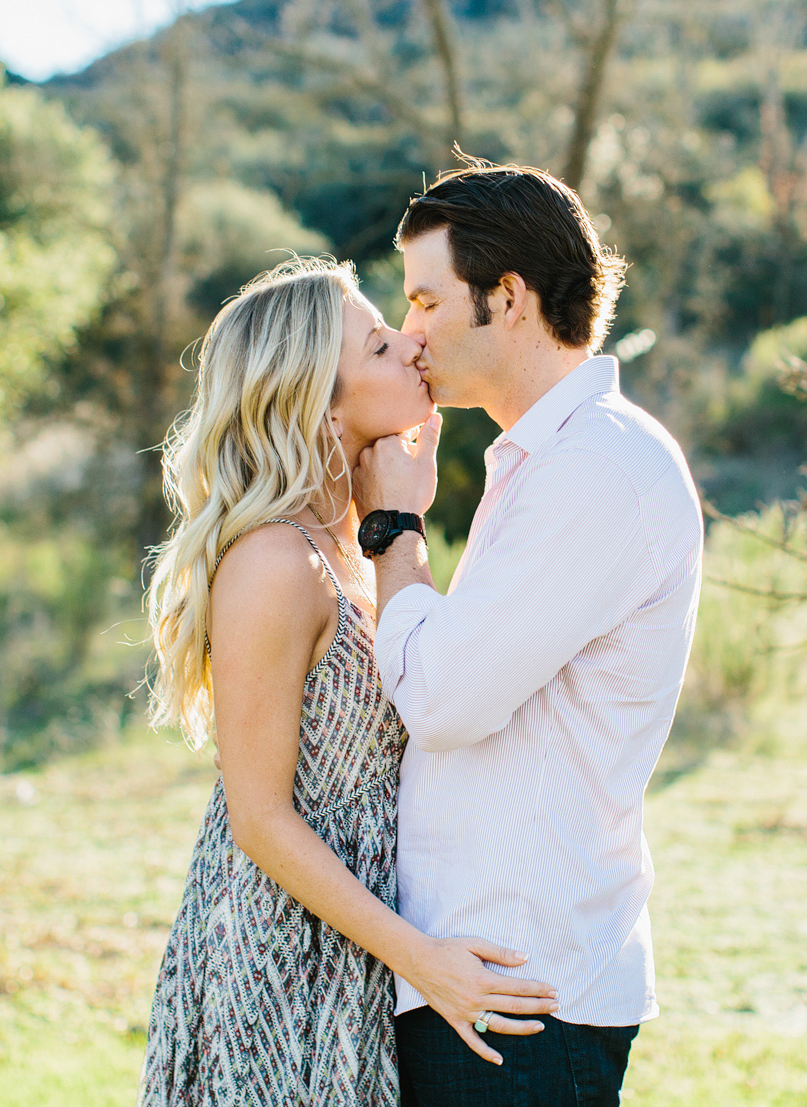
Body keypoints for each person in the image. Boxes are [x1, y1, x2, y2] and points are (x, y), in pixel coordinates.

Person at [136, 258, 559, 1107]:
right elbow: (259, 819)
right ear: (322, 403)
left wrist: (399, 523)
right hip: (281, 957)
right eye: (378, 343)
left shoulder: (354, 555)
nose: (413, 343)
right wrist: (422, 957)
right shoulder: (273, 561)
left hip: (356, 947)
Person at [353, 162, 704, 1105]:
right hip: (484, 981)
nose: (410, 331)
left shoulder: (598, 466)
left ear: (507, 298)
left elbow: (442, 700)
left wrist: (393, 529)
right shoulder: (545, 459)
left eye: (427, 300)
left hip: (525, 997)